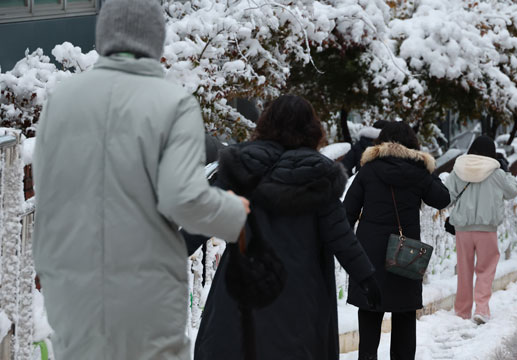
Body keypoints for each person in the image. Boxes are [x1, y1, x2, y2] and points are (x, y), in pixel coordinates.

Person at [31, 1, 249, 359]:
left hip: (71, 287)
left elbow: (48, 191)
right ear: (155, 40)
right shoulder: (172, 102)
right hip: (143, 291)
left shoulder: (62, 101)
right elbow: (184, 199)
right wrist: (233, 213)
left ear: (103, 37)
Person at [193, 95, 380, 360]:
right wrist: (367, 278)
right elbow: (340, 234)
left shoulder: (240, 166)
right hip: (301, 295)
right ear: (312, 128)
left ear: (266, 123)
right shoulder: (319, 175)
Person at [343, 121, 450, 360]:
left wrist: (345, 249)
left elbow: (347, 212)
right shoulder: (419, 172)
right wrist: (429, 169)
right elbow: (442, 199)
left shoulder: (368, 170)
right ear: (412, 143)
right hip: (405, 252)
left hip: (369, 252)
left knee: (370, 312)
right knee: (404, 315)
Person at [445, 136, 517, 325]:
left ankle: (462, 311)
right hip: (487, 228)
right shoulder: (496, 172)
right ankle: (482, 309)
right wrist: (506, 171)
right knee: (486, 269)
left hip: (462, 228)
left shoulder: (458, 169)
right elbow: (512, 192)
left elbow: (448, 196)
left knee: (464, 268)